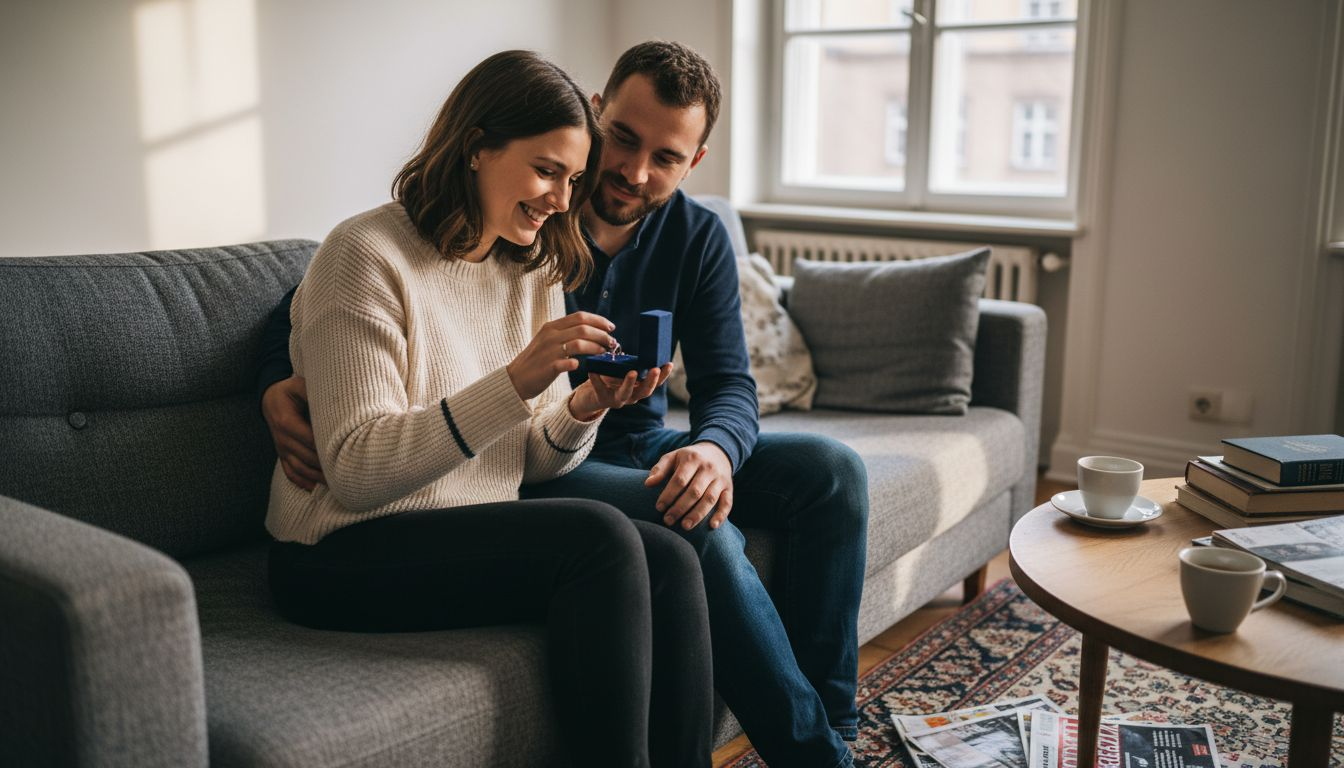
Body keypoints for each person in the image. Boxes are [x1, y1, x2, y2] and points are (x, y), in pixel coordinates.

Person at [260, 43, 868, 768]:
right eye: (561, 169)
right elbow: (323, 334)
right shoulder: (412, 244)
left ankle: (831, 741)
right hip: (373, 528)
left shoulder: (550, 252)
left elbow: (568, 439)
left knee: (809, 483)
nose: (581, 191)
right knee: (651, 535)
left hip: (552, 468)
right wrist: (278, 379)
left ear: (694, 160)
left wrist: (600, 410)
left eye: (569, 178)